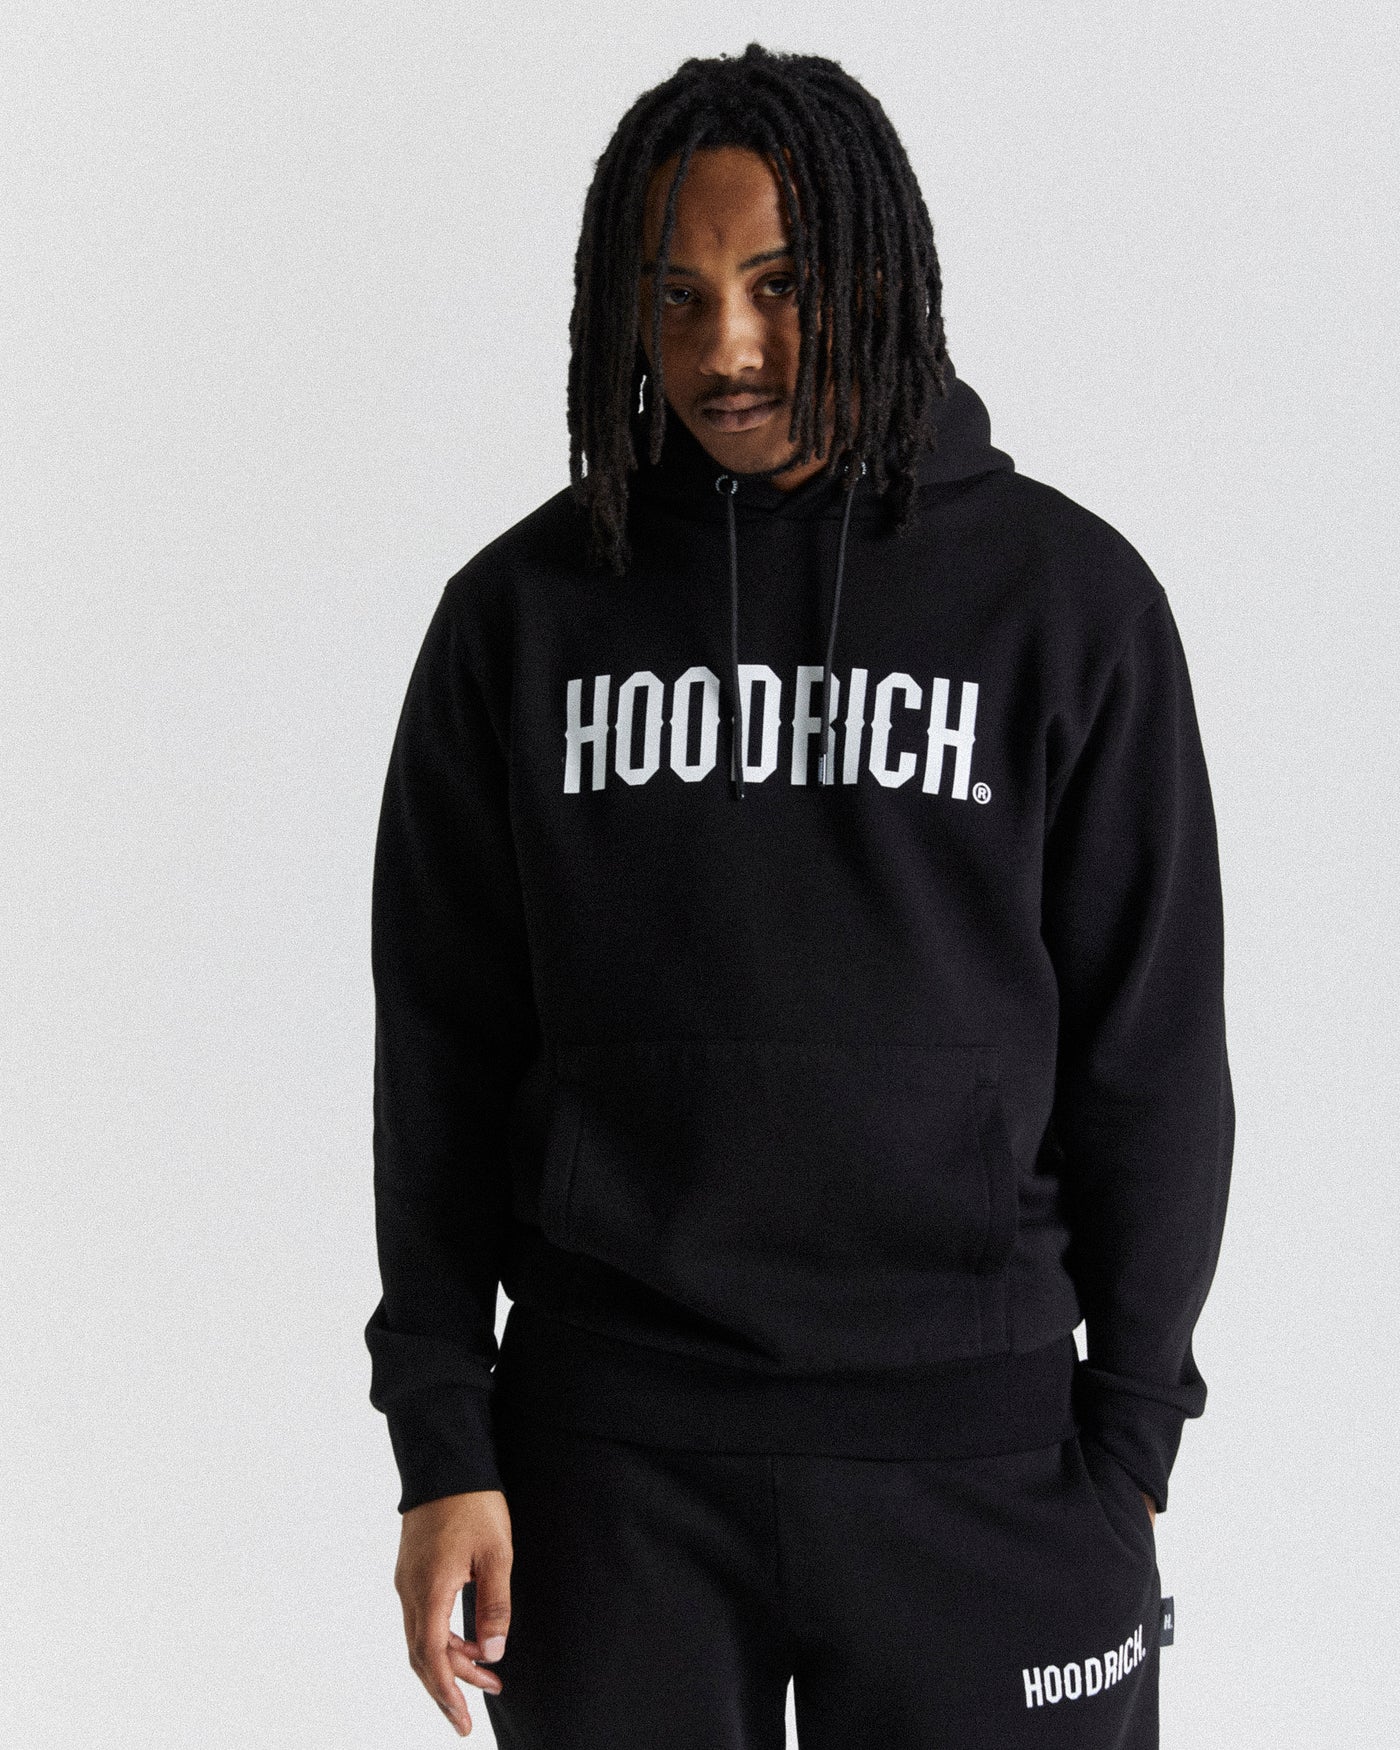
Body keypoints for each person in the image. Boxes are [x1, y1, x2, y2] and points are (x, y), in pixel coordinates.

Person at [364, 42, 1234, 1749]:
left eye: (780, 286)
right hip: (608, 1464)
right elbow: (441, 1054)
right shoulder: (520, 619)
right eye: (676, 297)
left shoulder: (1069, 606)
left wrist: (1130, 1440)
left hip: (982, 1456)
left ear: (880, 281)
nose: (727, 350)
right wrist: (442, 1439)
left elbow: (1154, 1052)